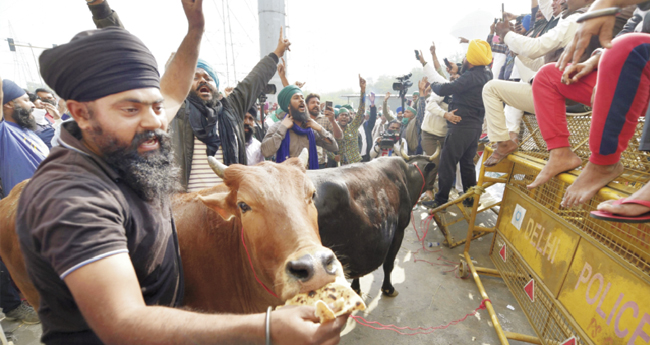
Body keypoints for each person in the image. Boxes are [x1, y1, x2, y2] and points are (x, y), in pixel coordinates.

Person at [14, 1, 347, 344]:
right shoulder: (71, 198)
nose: (156, 122)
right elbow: (123, 322)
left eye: (155, 106)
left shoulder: (122, 139)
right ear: (80, 113)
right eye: (131, 108)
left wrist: (195, 31)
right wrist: (266, 328)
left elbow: (172, 91)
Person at [528, 0, 650, 212]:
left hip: (637, 71)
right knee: (548, 76)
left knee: (627, 48)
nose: (562, 1)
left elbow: (629, 46)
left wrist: (606, 4)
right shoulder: (641, 8)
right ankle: (560, 154)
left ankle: (604, 163)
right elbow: (625, 34)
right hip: (632, 81)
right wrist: (597, 62)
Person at [426, 39, 493, 209]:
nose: (463, 59)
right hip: (475, 127)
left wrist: (433, 82)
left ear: (470, 61)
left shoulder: (470, 76)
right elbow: (468, 76)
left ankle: (440, 201)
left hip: (460, 126)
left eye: (465, 57)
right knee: (467, 164)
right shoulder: (486, 74)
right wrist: (459, 69)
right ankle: (470, 198)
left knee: (448, 163)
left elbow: (444, 89)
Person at [261, 85, 338, 169]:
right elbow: (266, 152)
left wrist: (319, 128)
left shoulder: (309, 129)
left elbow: (333, 147)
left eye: (302, 98)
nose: (301, 100)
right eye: (296, 98)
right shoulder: (278, 127)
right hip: (286, 178)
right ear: (288, 106)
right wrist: (283, 128)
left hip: (308, 177)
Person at [0, 80, 49, 196]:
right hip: (29, 207)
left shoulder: (26, 130)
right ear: (9, 103)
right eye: (26, 100)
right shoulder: (5, 131)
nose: (32, 104)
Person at [330, 75, 367, 166]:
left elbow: (361, 109)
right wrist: (333, 157)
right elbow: (327, 147)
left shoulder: (353, 127)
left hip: (355, 164)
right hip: (341, 166)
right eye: (342, 115)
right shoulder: (333, 130)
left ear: (349, 118)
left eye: (346, 115)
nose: (344, 117)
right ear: (338, 117)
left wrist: (363, 91)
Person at [305, 93, 342, 168]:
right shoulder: (302, 120)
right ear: (306, 105)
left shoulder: (326, 119)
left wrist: (333, 121)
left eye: (318, 103)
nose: (316, 105)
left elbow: (339, 136)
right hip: (304, 161)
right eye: (313, 102)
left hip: (320, 163)